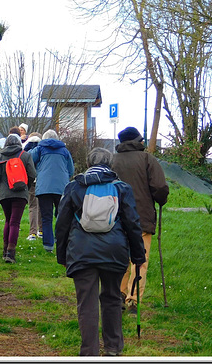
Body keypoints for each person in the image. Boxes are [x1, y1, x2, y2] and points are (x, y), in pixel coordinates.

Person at [55, 147, 146, 357]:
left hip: (81, 251)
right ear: (110, 164)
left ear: (88, 163)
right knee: (112, 298)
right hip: (114, 252)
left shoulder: (74, 187)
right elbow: (133, 224)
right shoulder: (122, 188)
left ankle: (89, 353)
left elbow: (62, 224)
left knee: (86, 302)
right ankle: (113, 348)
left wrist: (63, 255)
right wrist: (138, 256)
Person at [112, 126, 169, 314]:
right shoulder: (148, 160)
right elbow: (160, 187)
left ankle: (118, 295)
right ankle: (133, 301)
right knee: (139, 261)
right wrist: (161, 199)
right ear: (138, 141)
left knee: (120, 258)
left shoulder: (112, 160)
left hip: (115, 219)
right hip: (141, 218)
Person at [0, 134, 36, 263]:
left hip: (5, 194)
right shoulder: (25, 155)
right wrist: (25, 185)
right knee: (15, 222)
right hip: (20, 194)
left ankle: (5, 250)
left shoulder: (0, 156)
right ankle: (11, 252)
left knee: (8, 220)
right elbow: (32, 174)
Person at [30, 130, 75, 252]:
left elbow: (29, 159)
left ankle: (48, 245)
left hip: (44, 187)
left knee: (46, 217)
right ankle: (61, 242)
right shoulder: (64, 151)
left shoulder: (40, 149)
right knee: (62, 216)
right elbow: (71, 169)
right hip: (61, 188)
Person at [23, 132, 43, 241]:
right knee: (42, 206)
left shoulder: (26, 149)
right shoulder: (44, 149)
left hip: (31, 180)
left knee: (32, 206)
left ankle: (32, 233)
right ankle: (41, 231)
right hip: (42, 180)